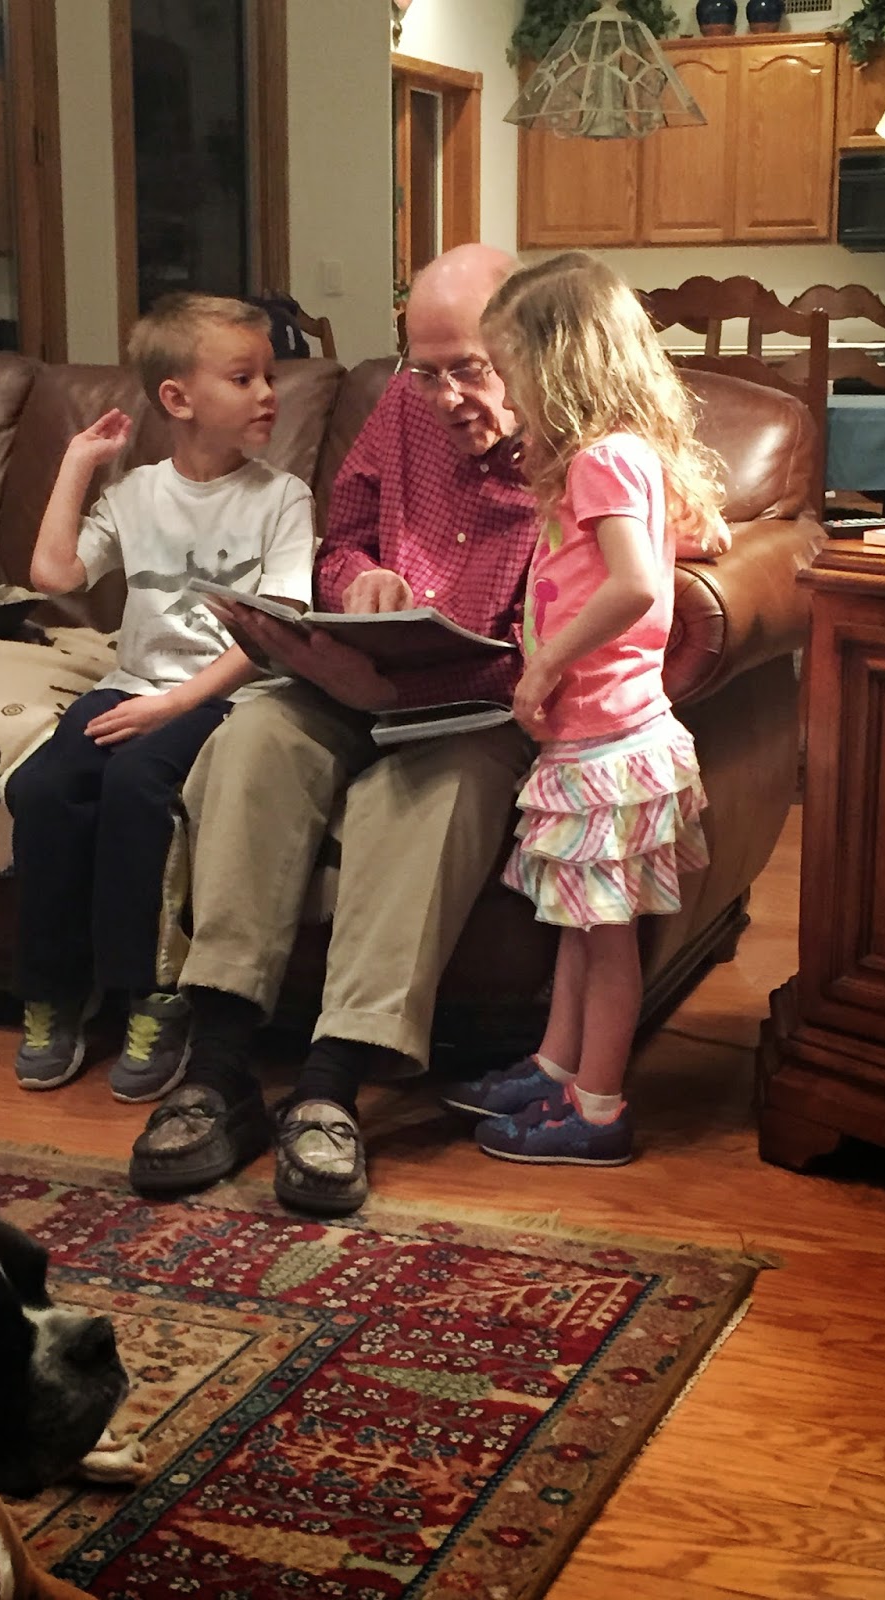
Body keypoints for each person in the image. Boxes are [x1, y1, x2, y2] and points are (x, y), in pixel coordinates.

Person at [127, 243, 538, 1214]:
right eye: (423, 370)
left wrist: (400, 688)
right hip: (349, 677)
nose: (442, 397)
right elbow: (343, 540)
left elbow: (562, 644)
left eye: (467, 370)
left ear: (527, 342)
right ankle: (220, 1068)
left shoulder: (583, 450)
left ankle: (329, 1085)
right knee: (254, 736)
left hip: (478, 707)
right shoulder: (404, 407)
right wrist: (358, 584)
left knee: (434, 792)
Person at [441, 251, 724, 1166]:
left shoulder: (602, 460)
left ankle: (597, 1111)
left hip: (605, 742)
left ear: (556, 362)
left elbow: (634, 585)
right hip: (602, 738)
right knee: (580, 923)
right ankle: (557, 1068)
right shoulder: (625, 454)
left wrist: (544, 668)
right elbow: (663, 545)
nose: (507, 390)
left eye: (509, 367)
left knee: (606, 943)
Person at [7, 293, 315, 1101]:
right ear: (178, 399)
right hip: (133, 686)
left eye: (270, 377)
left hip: (228, 697)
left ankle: (152, 993)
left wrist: (172, 709)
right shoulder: (138, 492)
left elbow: (273, 633)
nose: (268, 394)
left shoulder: (283, 498)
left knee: (138, 783)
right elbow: (54, 575)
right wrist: (78, 464)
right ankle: (54, 989)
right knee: (42, 787)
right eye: (243, 378)